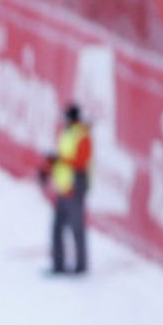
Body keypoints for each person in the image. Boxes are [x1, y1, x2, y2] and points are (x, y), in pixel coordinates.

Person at [41, 103, 93, 276]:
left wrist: (59, 160)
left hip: (75, 188)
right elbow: (62, 158)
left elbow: (80, 162)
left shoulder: (82, 136)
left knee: (76, 228)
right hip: (63, 188)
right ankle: (59, 264)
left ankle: (80, 266)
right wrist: (48, 168)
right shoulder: (67, 134)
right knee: (57, 228)